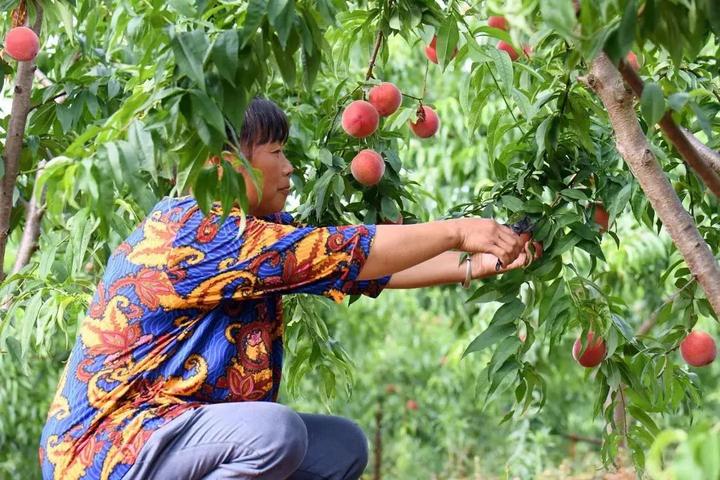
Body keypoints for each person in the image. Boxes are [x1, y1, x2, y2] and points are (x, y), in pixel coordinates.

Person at [39, 98, 537, 480]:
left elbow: (358, 268)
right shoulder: (196, 230)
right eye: (276, 152)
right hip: (107, 450)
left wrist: (480, 262)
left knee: (341, 448)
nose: (289, 167)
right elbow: (343, 250)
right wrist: (458, 229)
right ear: (224, 162)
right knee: (274, 432)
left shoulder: (257, 230)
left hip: (174, 435)